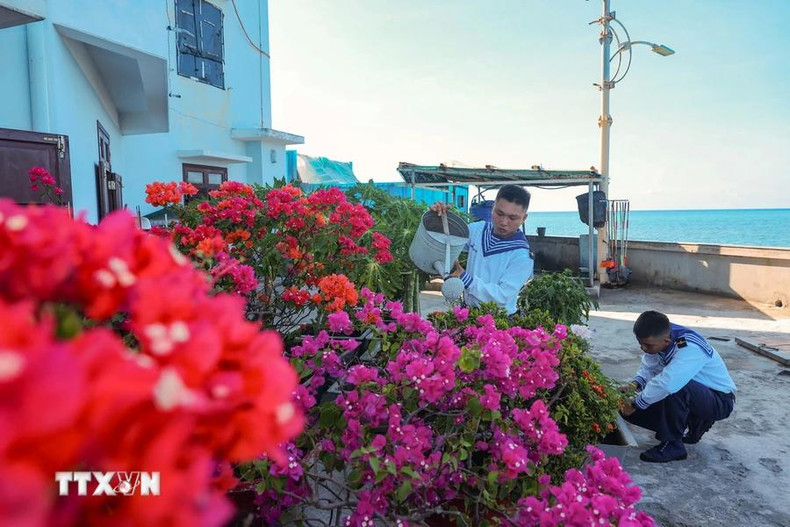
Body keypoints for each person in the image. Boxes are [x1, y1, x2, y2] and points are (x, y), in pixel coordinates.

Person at [618, 310, 737, 463]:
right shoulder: (660, 335)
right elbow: (650, 366)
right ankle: (694, 421)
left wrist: (636, 403)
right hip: (695, 395)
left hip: (719, 401)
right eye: (641, 344)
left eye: (647, 345)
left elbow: (668, 382)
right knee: (627, 411)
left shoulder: (690, 347)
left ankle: (673, 445)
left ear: (666, 342)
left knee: (675, 387)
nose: (643, 349)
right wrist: (635, 385)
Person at [430, 184, 533, 315]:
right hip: (468, 312)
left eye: (512, 218)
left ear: (524, 218)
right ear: (493, 207)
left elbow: (502, 296)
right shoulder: (478, 230)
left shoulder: (522, 256)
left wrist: (465, 278)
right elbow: (447, 239)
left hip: (499, 320)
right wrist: (440, 218)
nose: (504, 222)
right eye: (499, 213)